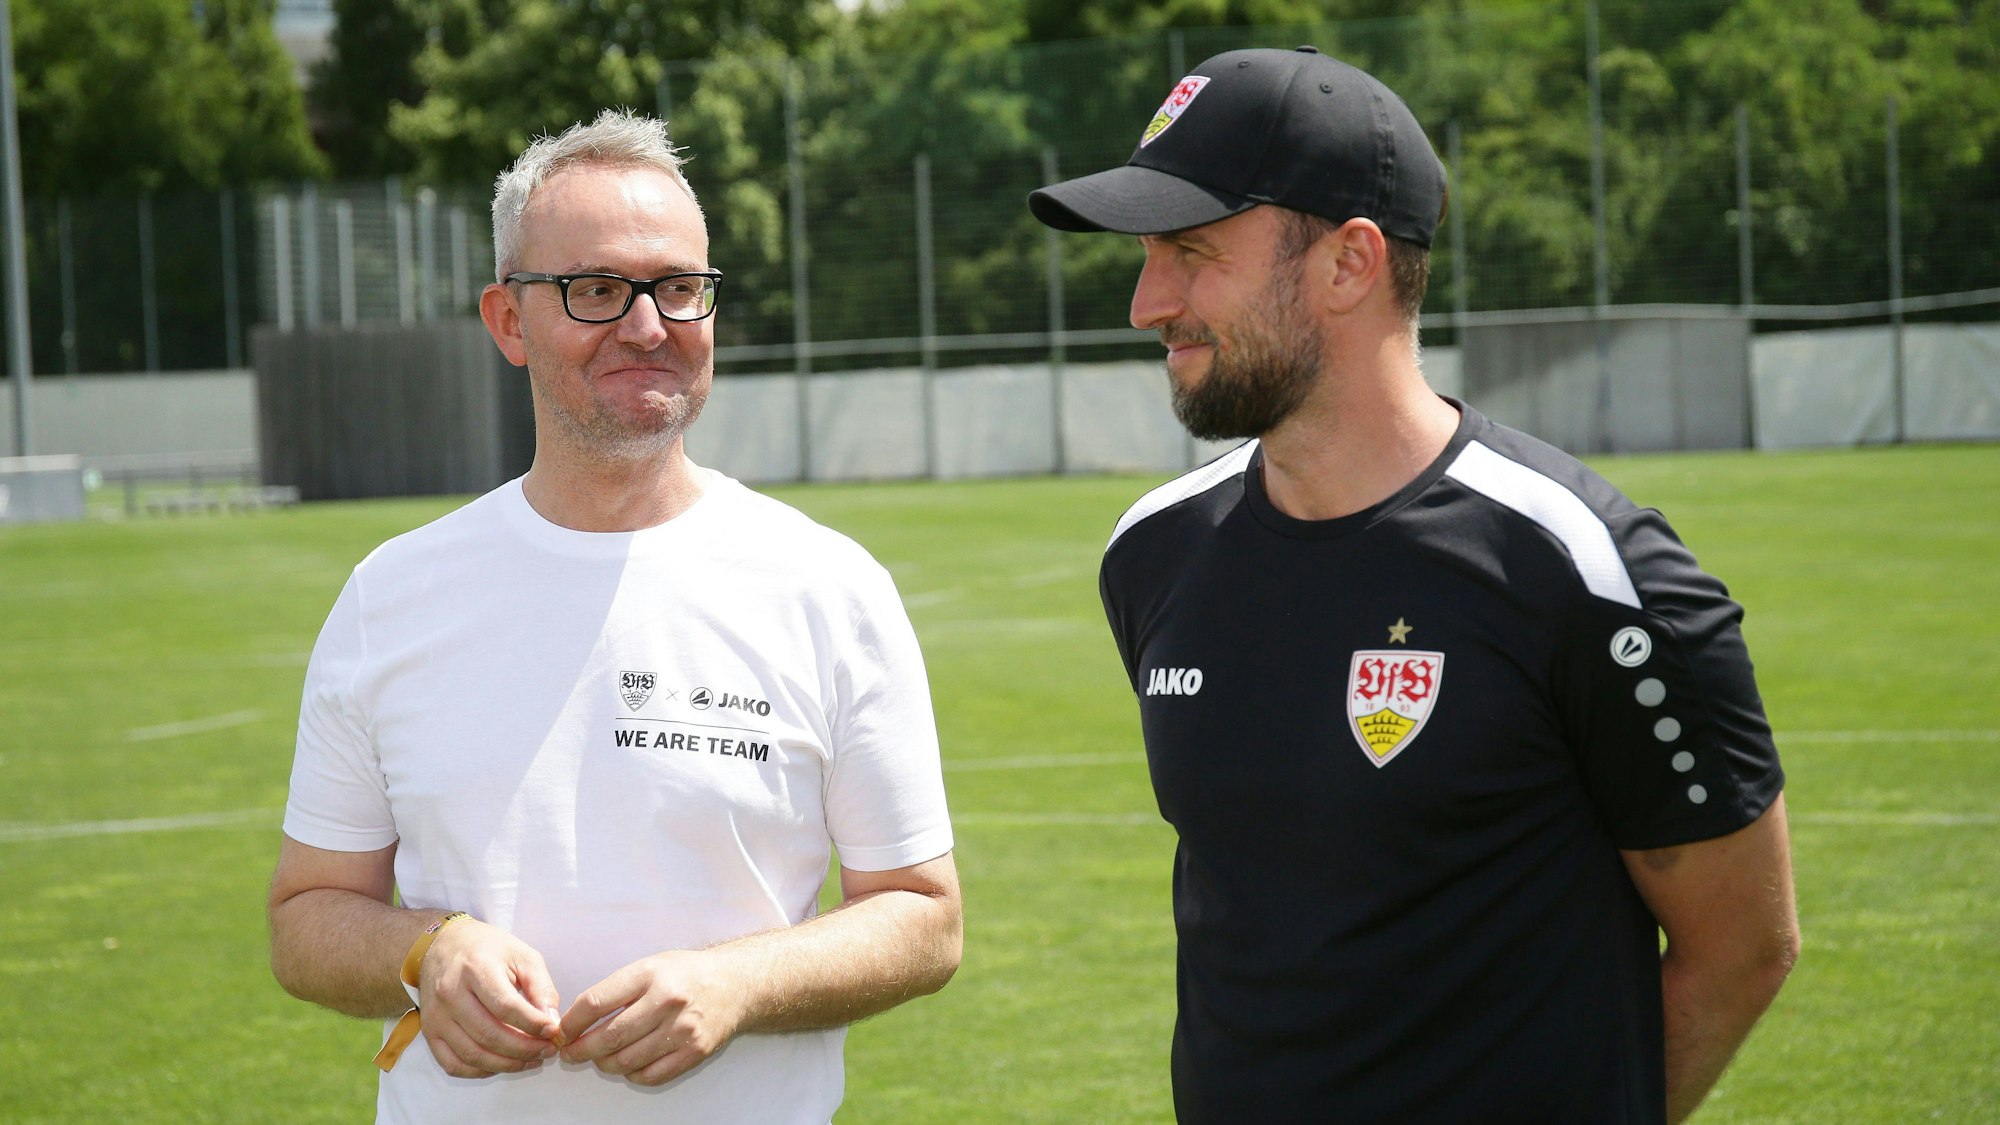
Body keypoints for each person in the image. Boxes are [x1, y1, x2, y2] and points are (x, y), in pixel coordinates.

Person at [1028, 47, 1798, 1124]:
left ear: (1348, 263)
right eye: (1147, 255)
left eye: (1192, 251)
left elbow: (1742, 947)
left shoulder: (1577, 568)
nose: (1146, 302)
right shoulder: (1152, 552)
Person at [268, 109, 961, 1124]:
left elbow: (921, 917)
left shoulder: (826, 585)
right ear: (508, 320)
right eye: (595, 290)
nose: (648, 326)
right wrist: (426, 951)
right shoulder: (392, 594)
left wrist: (739, 984)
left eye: (678, 287)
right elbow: (306, 918)